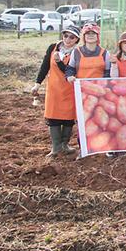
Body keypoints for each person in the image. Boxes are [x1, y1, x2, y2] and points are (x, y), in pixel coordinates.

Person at [33, 25, 81, 156]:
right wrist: (37, 84)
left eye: (72, 37)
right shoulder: (53, 48)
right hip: (54, 89)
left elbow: (71, 71)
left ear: (77, 39)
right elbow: (45, 66)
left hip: (70, 89)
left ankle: (64, 145)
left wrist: (59, 62)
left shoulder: (78, 52)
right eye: (66, 35)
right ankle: (55, 147)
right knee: (53, 117)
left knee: (68, 118)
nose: (68, 39)